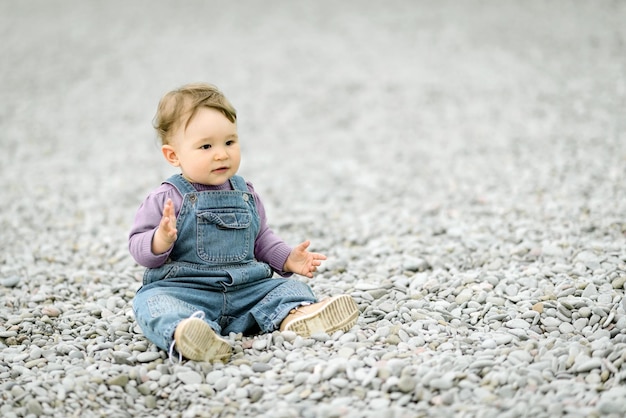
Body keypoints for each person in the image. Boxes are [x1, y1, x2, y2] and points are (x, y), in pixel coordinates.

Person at [129, 83, 359, 363]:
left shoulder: (244, 192)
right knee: (151, 302)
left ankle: (298, 316)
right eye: (206, 146)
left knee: (289, 290)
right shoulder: (167, 197)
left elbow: (260, 238)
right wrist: (160, 239)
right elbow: (138, 248)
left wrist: (287, 258)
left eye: (229, 142)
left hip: (245, 290)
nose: (221, 153)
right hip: (186, 290)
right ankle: (188, 331)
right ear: (173, 155)